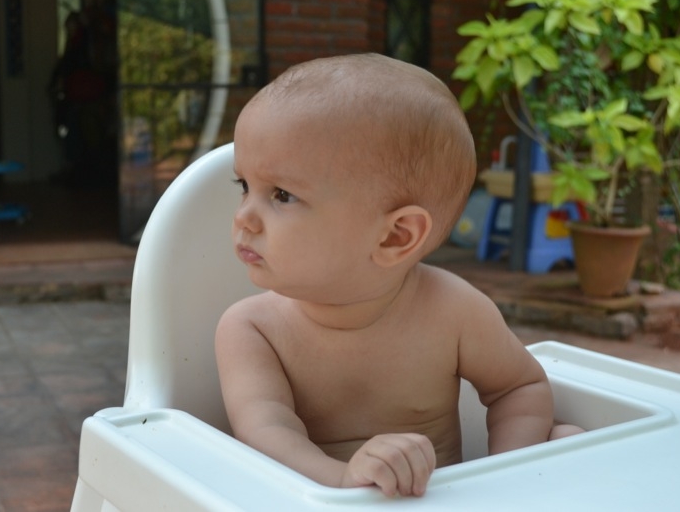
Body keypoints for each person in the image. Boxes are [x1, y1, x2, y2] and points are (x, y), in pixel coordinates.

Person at [215, 53, 582, 499]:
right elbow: (264, 432)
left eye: (282, 195)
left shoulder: (454, 311)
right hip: (316, 501)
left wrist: (509, 472)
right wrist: (344, 480)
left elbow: (519, 387)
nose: (244, 217)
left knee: (567, 440)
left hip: (443, 502)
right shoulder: (252, 329)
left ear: (395, 236)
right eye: (244, 186)